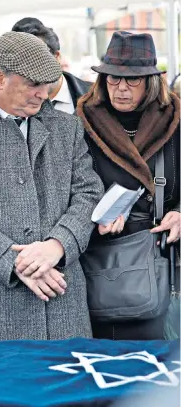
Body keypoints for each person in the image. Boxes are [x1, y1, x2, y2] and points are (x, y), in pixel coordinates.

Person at [0, 31, 103, 343]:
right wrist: (13, 263)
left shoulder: (68, 127)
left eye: (47, 84)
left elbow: (89, 194)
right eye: (33, 84)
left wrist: (58, 245)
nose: (43, 94)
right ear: (0, 78)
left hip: (61, 297)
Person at [76, 31, 180, 340]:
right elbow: (68, 191)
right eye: (112, 79)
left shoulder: (176, 120)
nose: (121, 88)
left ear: (150, 81)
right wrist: (93, 221)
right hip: (107, 265)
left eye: (132, 80)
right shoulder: (81, 124)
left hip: (168, 259)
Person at [12, 17, 91, 112]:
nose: (30, 67)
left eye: (38, 58)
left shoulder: (94, 97)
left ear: (57, 57)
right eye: (22, 60)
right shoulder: (7, 103)